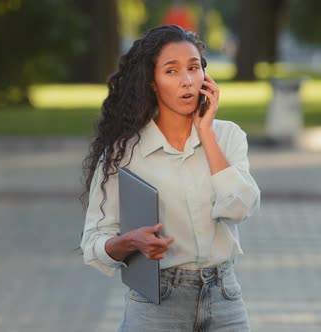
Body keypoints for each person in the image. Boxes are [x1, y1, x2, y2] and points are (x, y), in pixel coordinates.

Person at [80, 25, 260, 331]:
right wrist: (130, 241)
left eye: (193, 68)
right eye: (172, 71)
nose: (187, 81)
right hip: (157, 302)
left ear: (206, 77)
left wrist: (206, 134)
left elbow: (239, 209)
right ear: (152, 82)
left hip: (224, 296)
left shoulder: (227, 136)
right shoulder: (124, 152)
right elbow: (94, 243)